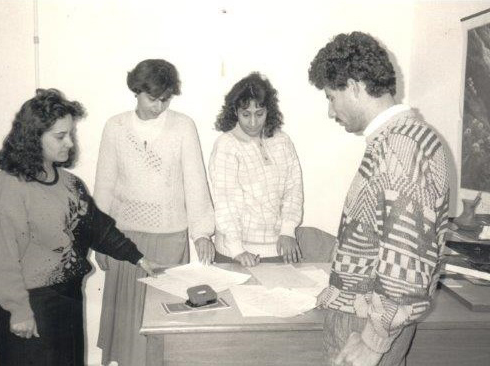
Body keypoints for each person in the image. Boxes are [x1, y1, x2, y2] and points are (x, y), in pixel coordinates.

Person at [0, 88, 161, 366]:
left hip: (67, 301)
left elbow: (97, 228)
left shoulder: (69, 184)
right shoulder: (8, 188)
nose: (70, 143)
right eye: (60, 136)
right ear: (32, 137)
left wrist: (140, 258)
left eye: (71, 134)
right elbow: (0, 261)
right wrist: (19, 311)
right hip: (30, 306)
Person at [308, 31, 450, 366]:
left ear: (354, 86)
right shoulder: (395, 141)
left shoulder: (403, 147)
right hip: (362, 315)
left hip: (365, 327)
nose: (331, 110)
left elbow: (407, 259)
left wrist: (373, 341)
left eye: (331, 97)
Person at [94, 59, 215, 366]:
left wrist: (202, 232)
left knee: (165, 326)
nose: (160, 107)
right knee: (128, 329)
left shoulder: (183, 126)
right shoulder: (115, 127)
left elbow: (195, 182)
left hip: (170, 237)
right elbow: (104, 185)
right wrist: (99, 240)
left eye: (165, 99)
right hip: (124, 239)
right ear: (136, 91)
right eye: (153, 99)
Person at [209, 72, 304, 267]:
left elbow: (293, 189)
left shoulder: (282, 141)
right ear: (235, 111)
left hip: (278, 248)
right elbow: (226, 202)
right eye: (246, 115)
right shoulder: (227, 145)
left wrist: (287, 231)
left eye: (259, 114)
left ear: (269, 111)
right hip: (235, 253)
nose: (253, 123)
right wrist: (237, 249)